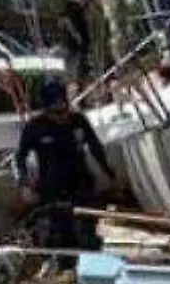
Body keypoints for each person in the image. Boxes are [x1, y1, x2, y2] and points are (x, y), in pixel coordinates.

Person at [15, 78, 114, 265]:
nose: (62, 116)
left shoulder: (77, 121)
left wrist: (109, 174)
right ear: (46, 109)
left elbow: (95, 148)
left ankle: (93, 266)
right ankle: (64, 268)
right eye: (56, 112)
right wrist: (25, 184)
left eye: (64, 109)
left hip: (81, 184)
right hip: (53, 188)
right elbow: (20, 157)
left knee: (89, 232)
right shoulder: (35, 127)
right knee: (60, 233)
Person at [58, 0, 93, 87]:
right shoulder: (70, 7)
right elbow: (67, 22)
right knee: (75, 74)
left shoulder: (78, 8)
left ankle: (81, 96)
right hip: (73, 45)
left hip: (78, 45)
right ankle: (76, 98)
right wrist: (77, 36)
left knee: (80, 73)